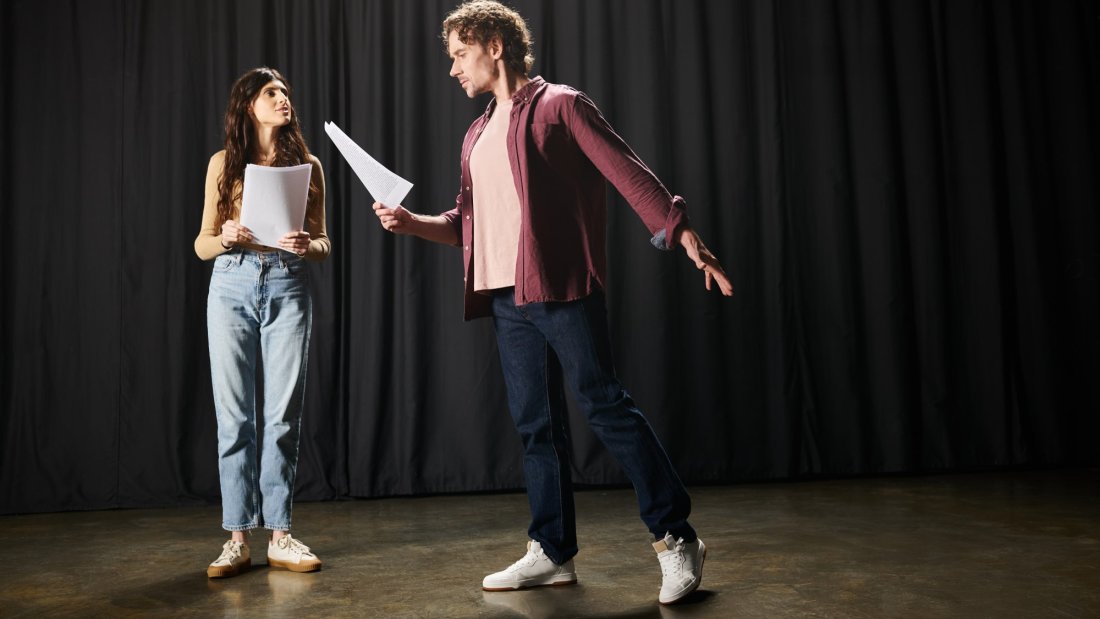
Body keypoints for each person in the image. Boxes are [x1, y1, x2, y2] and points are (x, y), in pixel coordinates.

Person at [372, 0, 732, 605]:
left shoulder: (561, 105)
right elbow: (468, 221)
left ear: (494, 44)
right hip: (507, 296)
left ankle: (677, 538)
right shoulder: (477, 131)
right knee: (535, 426)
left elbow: (624, 169)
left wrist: (680, 230)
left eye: (460, 55)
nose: (454, 69)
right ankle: (552, 551)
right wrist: (413, 223)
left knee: (606, 407)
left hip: (561, 287)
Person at [195, 67, 330, 578]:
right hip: (230, 282)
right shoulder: (222, 164)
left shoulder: (309, 165)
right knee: (234, 418)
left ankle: (280, 535)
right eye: (271, 93)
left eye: (286, 93)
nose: (283, 99)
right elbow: (202, 243)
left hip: (287, 282)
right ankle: (236, 538)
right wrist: (227, 235)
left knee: (282, 416)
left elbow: (323, 243)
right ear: (247, 104)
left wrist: (306, 246)